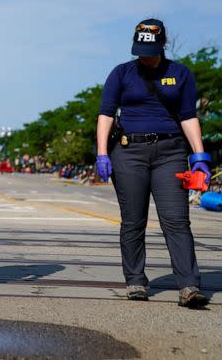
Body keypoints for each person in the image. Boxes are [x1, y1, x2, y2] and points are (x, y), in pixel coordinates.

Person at [96, 18, 211, 308]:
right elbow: (106, 114)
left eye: (149, 50)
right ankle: (136, 281)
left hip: (170, 152)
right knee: (134, 221)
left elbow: (188, 116)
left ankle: (188, 285)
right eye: (140, 50)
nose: (144, 56)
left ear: (162, 45)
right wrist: (102, 153)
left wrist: (199, 156)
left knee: (176, 221)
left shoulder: (180, 73)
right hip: (129, 152)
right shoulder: (121, 73)